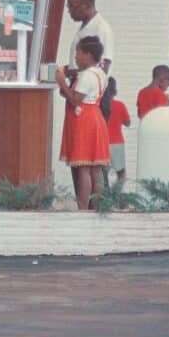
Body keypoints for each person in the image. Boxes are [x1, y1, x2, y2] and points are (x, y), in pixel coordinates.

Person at [56, 36, 110, 210]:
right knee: (94, 168)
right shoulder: (100, 73)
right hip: (95, 116)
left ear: (87, 54)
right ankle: (98, 206)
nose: (76, 58)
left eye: (78, 54)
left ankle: (83, 208)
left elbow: (75, 100)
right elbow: (75, 95)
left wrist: (61, 81)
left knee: (84, 167)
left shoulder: (87, 76)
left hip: (84, 120)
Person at [66, 0, 114, 77]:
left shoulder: (101, 29)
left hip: (88, 90)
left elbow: (103, 68)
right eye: (68, 6)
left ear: (87, 5)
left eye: (72, 6)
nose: (69, 10)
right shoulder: (84, 27)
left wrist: (68, 73)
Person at [103, 77, 131, 184]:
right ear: (115, 91)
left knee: (102, 172)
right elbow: (128, 123)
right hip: (117, 143)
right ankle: (117, 194)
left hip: (103, 143)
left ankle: (104, 194)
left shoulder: (99, 106)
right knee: (121, 172)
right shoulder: (120, 105)